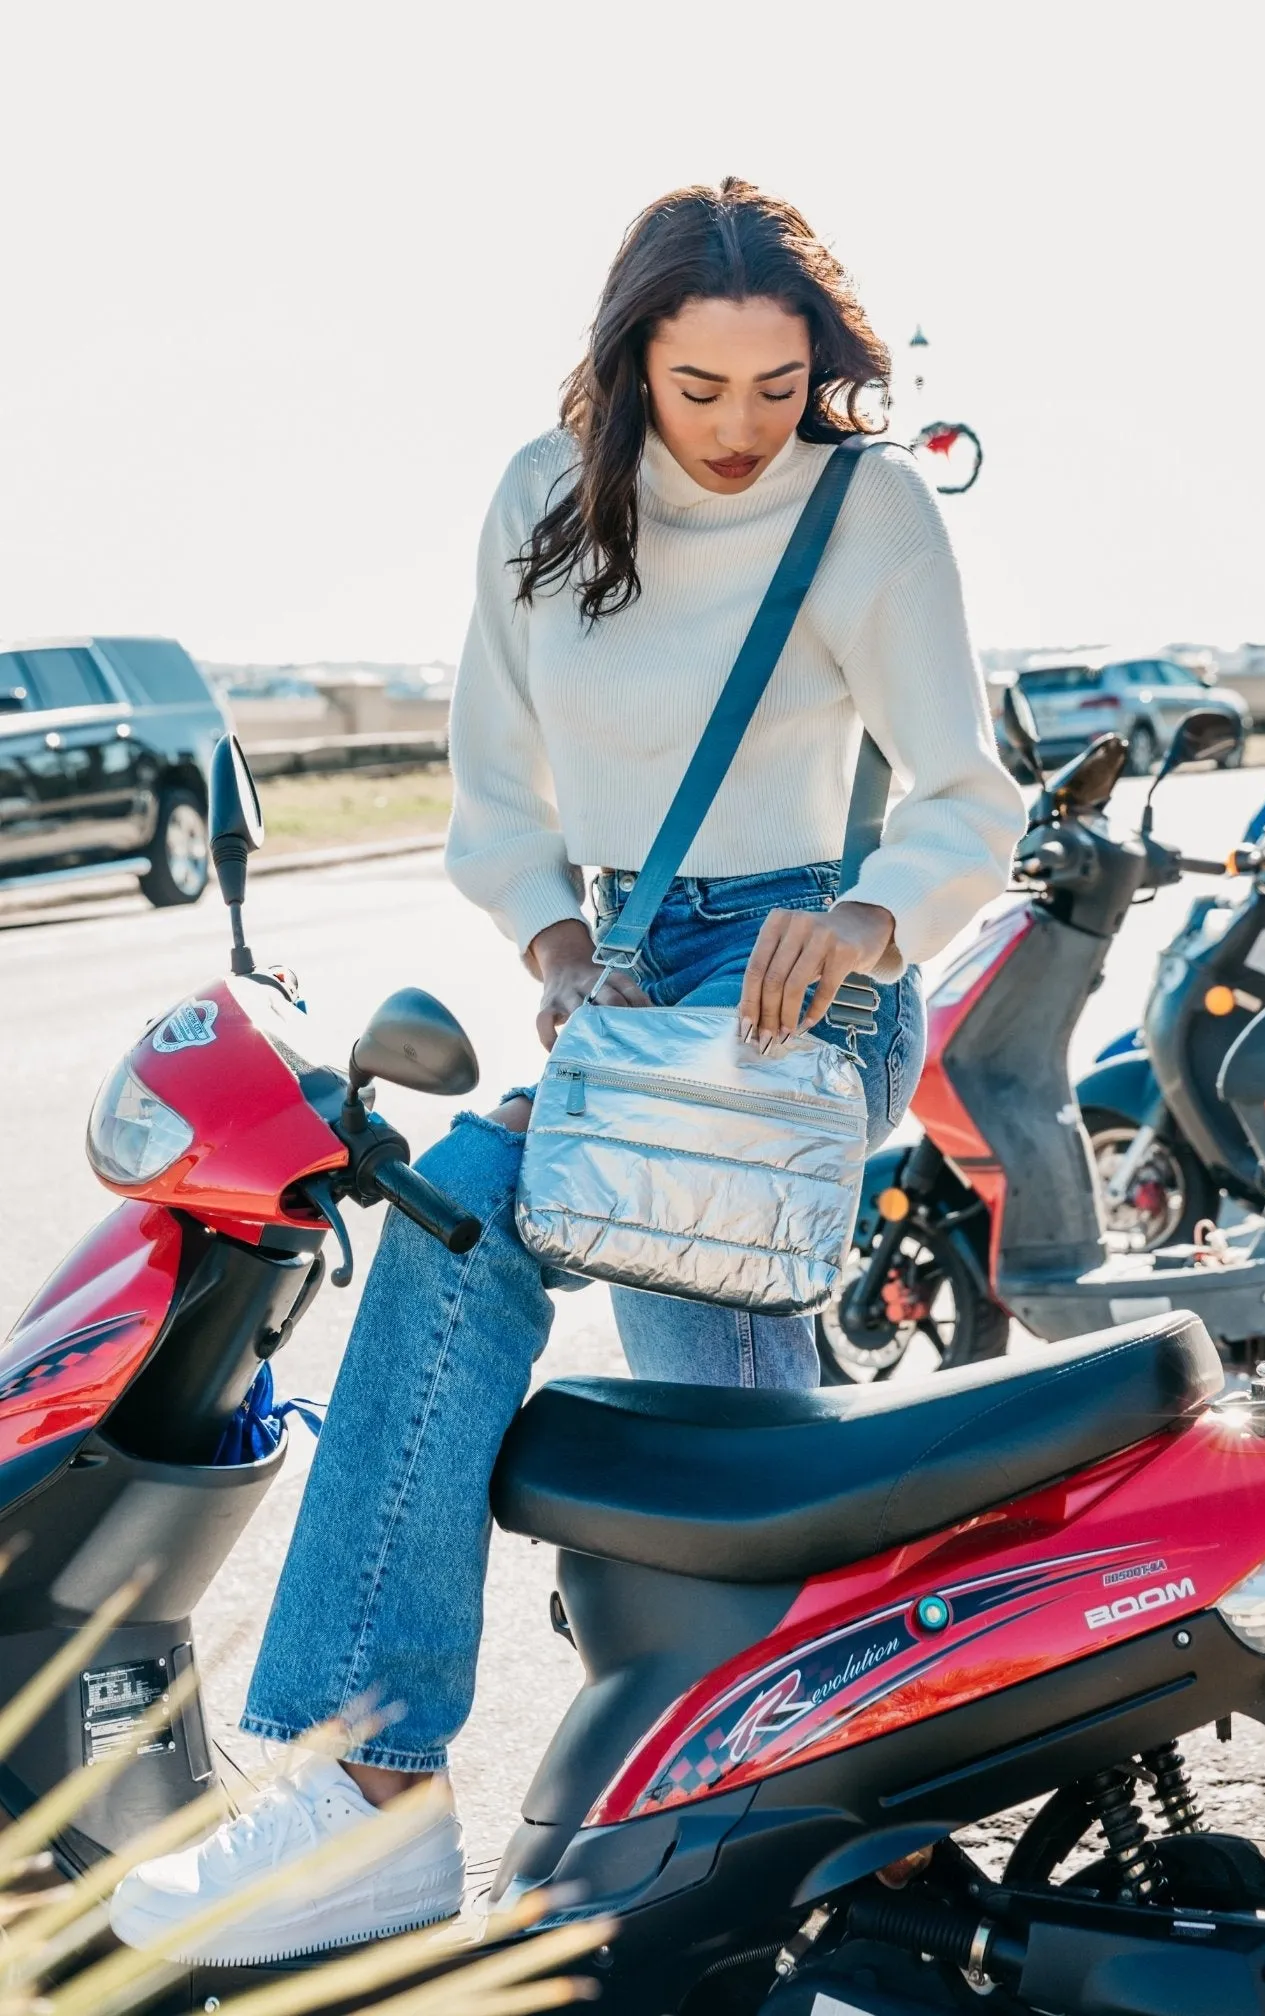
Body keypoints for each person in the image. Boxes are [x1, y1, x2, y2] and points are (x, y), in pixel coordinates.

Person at [111, 176, 1024, 1962]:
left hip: (796, 974)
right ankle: (838, 1815)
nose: (749, 428)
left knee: (545, 1276)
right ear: (629, 366)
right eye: (703, 388)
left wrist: (869, 923)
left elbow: (965, 801)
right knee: (728, 1420)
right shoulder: (542, 500)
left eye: (782, 384)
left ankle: (386, 1797)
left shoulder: (870, 506)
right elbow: (495, 798)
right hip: (626, 968)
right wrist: (551, 948)